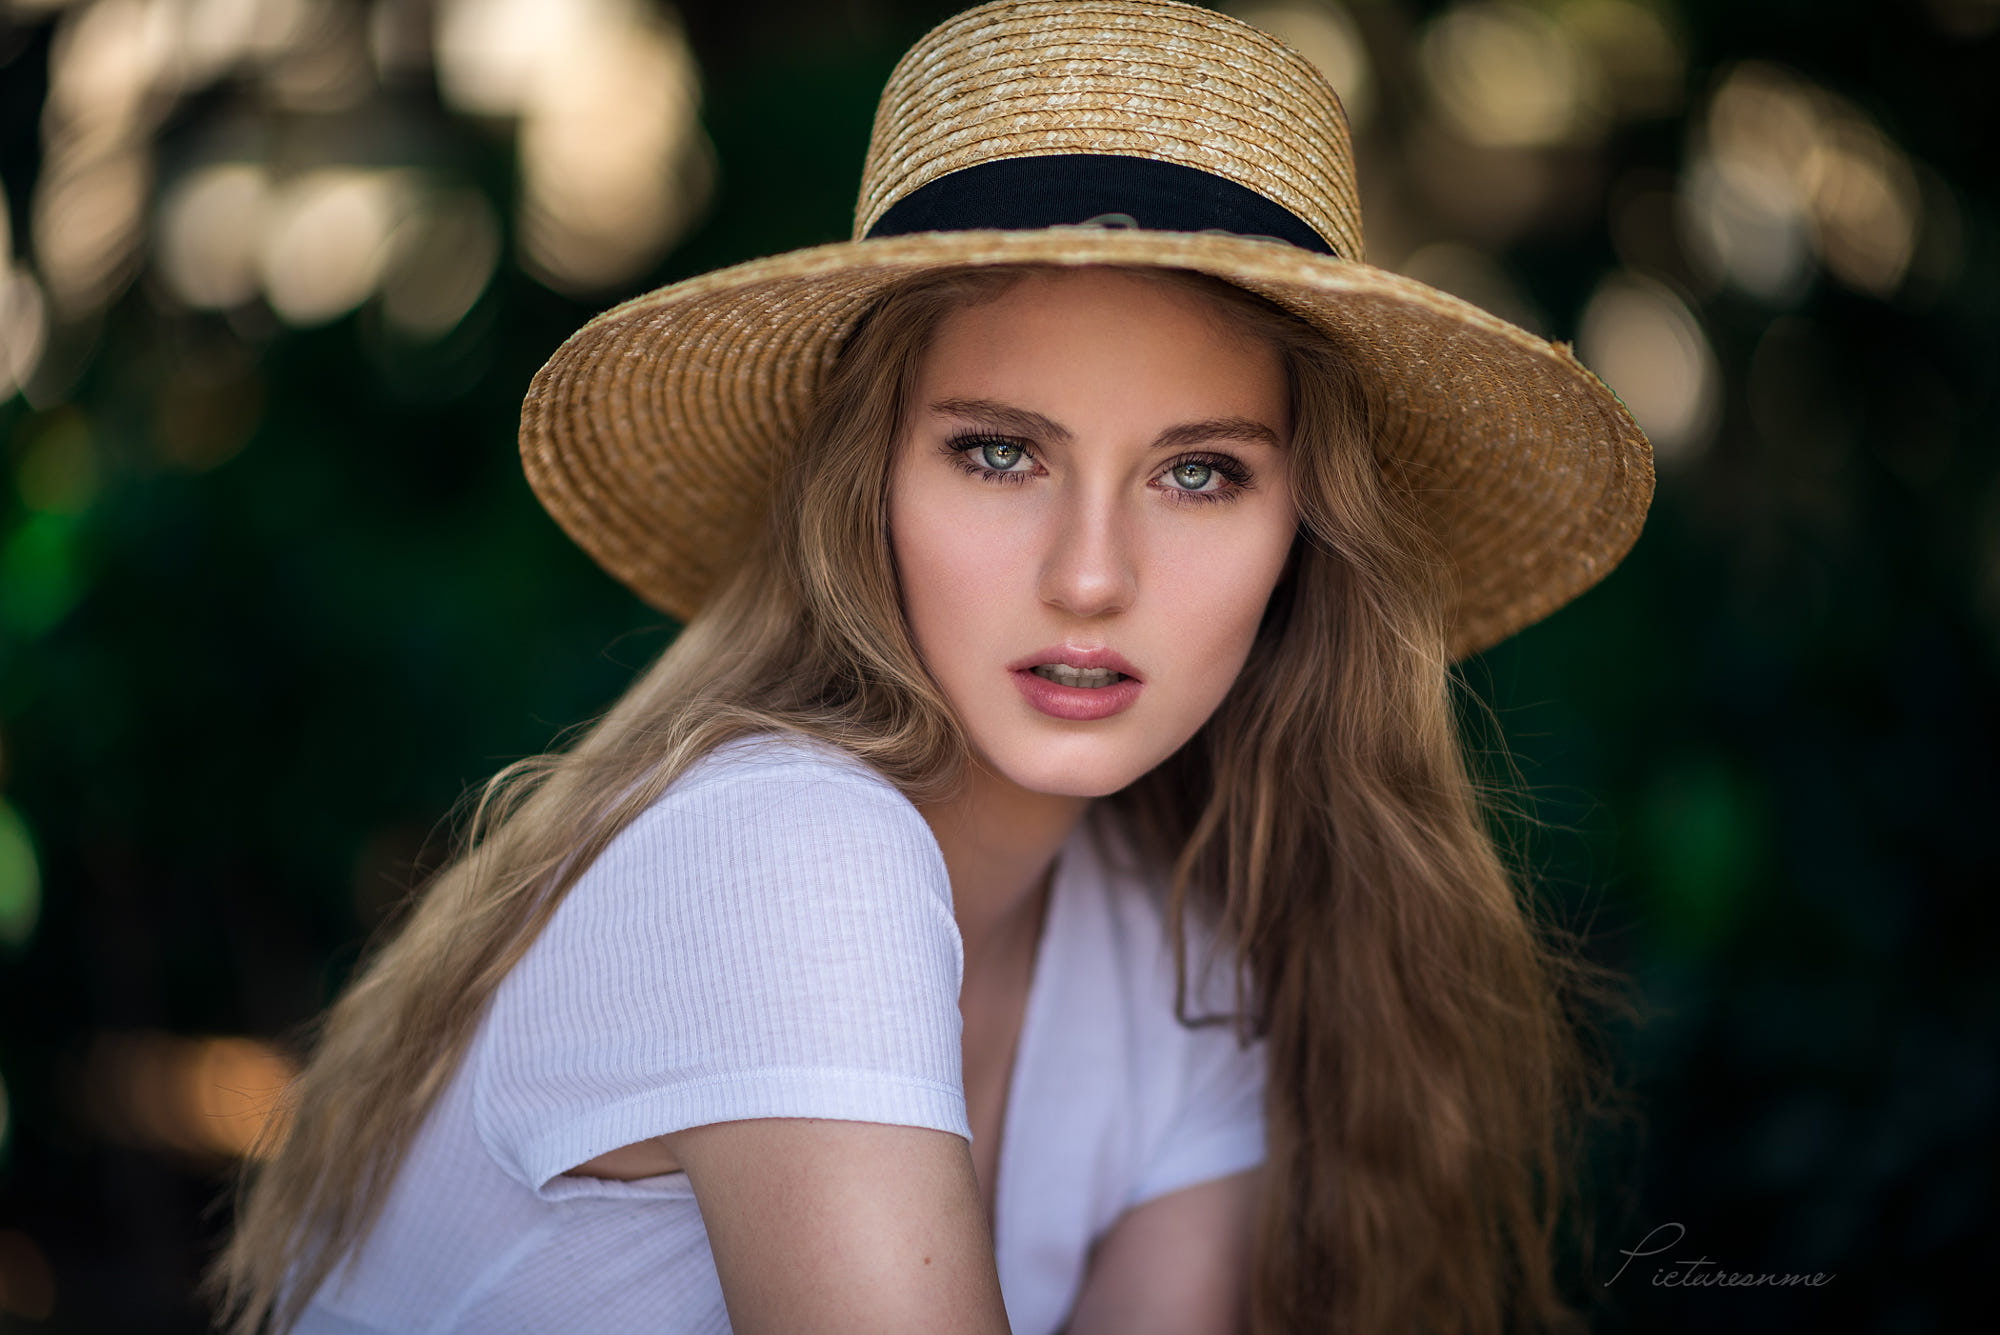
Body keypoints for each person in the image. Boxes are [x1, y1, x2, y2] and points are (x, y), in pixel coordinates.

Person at [210, 2, 1653, 1333]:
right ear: (870, 486)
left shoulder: (1180, 964)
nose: (1090, 576)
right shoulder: (784, 847)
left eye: (1200, 472)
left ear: (1306, 537)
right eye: (1001, 452)